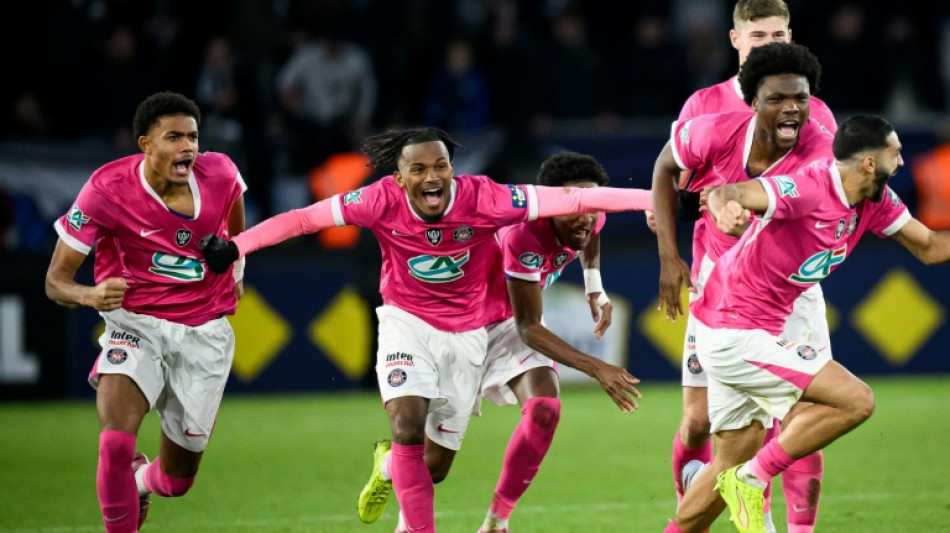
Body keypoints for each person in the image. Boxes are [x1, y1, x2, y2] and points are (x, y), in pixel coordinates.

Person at [198, 128, 653, 532]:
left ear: (453, 171)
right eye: (418, 169)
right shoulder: (378, 200)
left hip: (470, 332)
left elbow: (585, 207)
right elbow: (302, 219)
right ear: (400, 178)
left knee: (433, 466)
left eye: (440, 167)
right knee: (407, 428)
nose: (431, 177)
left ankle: (404, 473)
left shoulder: (486, 198)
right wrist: (238, 246)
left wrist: (657, 206)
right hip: (407, 323)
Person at [666, 114, 950, 532]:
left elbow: (929, 246)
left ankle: (731, 484)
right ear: (869, 162)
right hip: (733, 330)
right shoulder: (810, 186)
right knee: (856, 401)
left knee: (725, 465)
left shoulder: (874, 200)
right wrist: (724, 206)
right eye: (896, 153)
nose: (903, 162)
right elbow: (736, 190)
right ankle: (753, 478)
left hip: (753, 328)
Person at [354, 152, 643, 533]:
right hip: (465, 327)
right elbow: (530, 328)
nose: (587, 217)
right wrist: (596, 367)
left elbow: (592, 233)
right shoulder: (523, 235)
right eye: (577, 207)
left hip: (508, 324)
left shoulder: (589, 214)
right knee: (435, 468)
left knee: (545, 409)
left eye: (592, 206)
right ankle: (391, 464)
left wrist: (594, 285)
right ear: (554, 203)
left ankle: (496, 523)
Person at [652, 3, 835, 530]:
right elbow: (673, 181)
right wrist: (676, 248)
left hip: (789, 288)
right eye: (758, 35)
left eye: (778, 34)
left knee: (805, 418)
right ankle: (693, 513)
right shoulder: (704, 108)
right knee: (699, 422)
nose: (768, 43)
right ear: (735, 40)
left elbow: (826, 191)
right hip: (719, 287)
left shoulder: (814, 113)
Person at [44, 91, 246, 533]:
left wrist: (235, 260)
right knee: (115, 443)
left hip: (204, 335)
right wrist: (91, 296)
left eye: (192, 136)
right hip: (135, 326)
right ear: (146, 144)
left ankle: (140, 480)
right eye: (173, 137)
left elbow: (236, 224)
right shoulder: (106, 189)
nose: (187, 147)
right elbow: (55, 282)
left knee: (176, 481)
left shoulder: (222, 174)